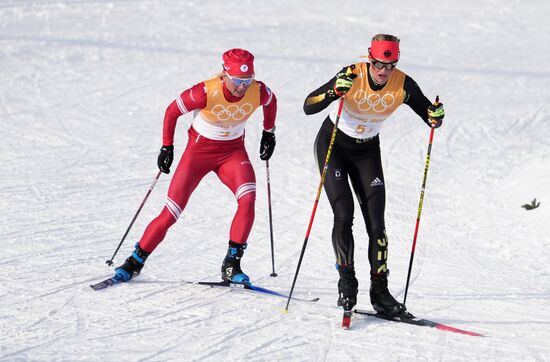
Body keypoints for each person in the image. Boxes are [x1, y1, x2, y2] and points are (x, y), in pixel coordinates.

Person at [303, 34, 445, 316]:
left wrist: (436, 116)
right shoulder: (351, 75)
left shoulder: (403, 83)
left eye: (390, 66)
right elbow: (309, 105)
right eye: (379, 64)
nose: (384, 72)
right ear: (370, 58)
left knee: (377, 225)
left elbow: (428, 113)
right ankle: (347, 284)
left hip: (367, 151)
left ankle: (380, 292)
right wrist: (334, 91)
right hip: (334, 145)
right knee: (344, 215)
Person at [115, 48, 277, 284]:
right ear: (224, 75)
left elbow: (272, 102)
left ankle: (232, 264)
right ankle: (134, 261)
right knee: (171, 212)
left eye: (247, 80)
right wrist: (167, 147)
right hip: (198, 153)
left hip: (232, 152)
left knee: (248, 199)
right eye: (237, 80)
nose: (243, 86)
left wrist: (268, 132)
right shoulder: (205, 91)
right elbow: (172, 111)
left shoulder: (258, 90)